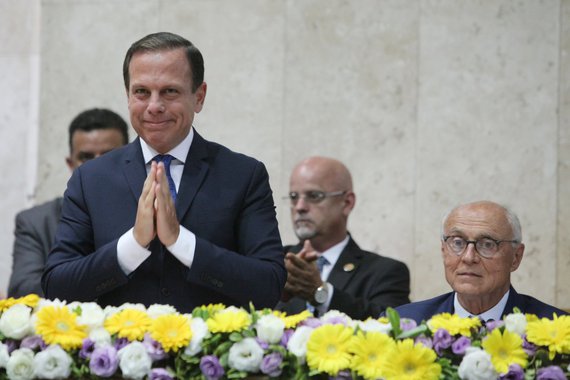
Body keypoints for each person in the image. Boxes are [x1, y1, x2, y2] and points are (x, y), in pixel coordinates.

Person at [42, 32, 286, 313]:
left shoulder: (243, 175)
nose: (154, 106)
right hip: (116, 353)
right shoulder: (91, 179)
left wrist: (181, 242)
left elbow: (269, 286)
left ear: (199, 96)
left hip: (212, 353)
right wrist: (133, 244)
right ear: (128, 95)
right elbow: (56, 286)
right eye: (142, 92)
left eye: (170, 91)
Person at [8, 108, 129, 298]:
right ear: (70, 163)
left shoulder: (149, 217)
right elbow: (23, 290)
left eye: (108, 156)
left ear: (127, 160)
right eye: (86, 157)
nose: (96, 168)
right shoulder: (35, 222)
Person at [276, 156, 410, 319]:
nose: (300, 207)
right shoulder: (272, 262)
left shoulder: (384, 272)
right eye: (294, 197)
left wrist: (322, 294)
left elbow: (391, 325)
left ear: (346, 203)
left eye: (314, 196)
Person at [394, 200, 568, 323]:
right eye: (457, 242)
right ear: (443, 250)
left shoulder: (559, 329)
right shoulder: (405, 324)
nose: (469, 257)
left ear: (516, 257)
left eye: (487, 244)